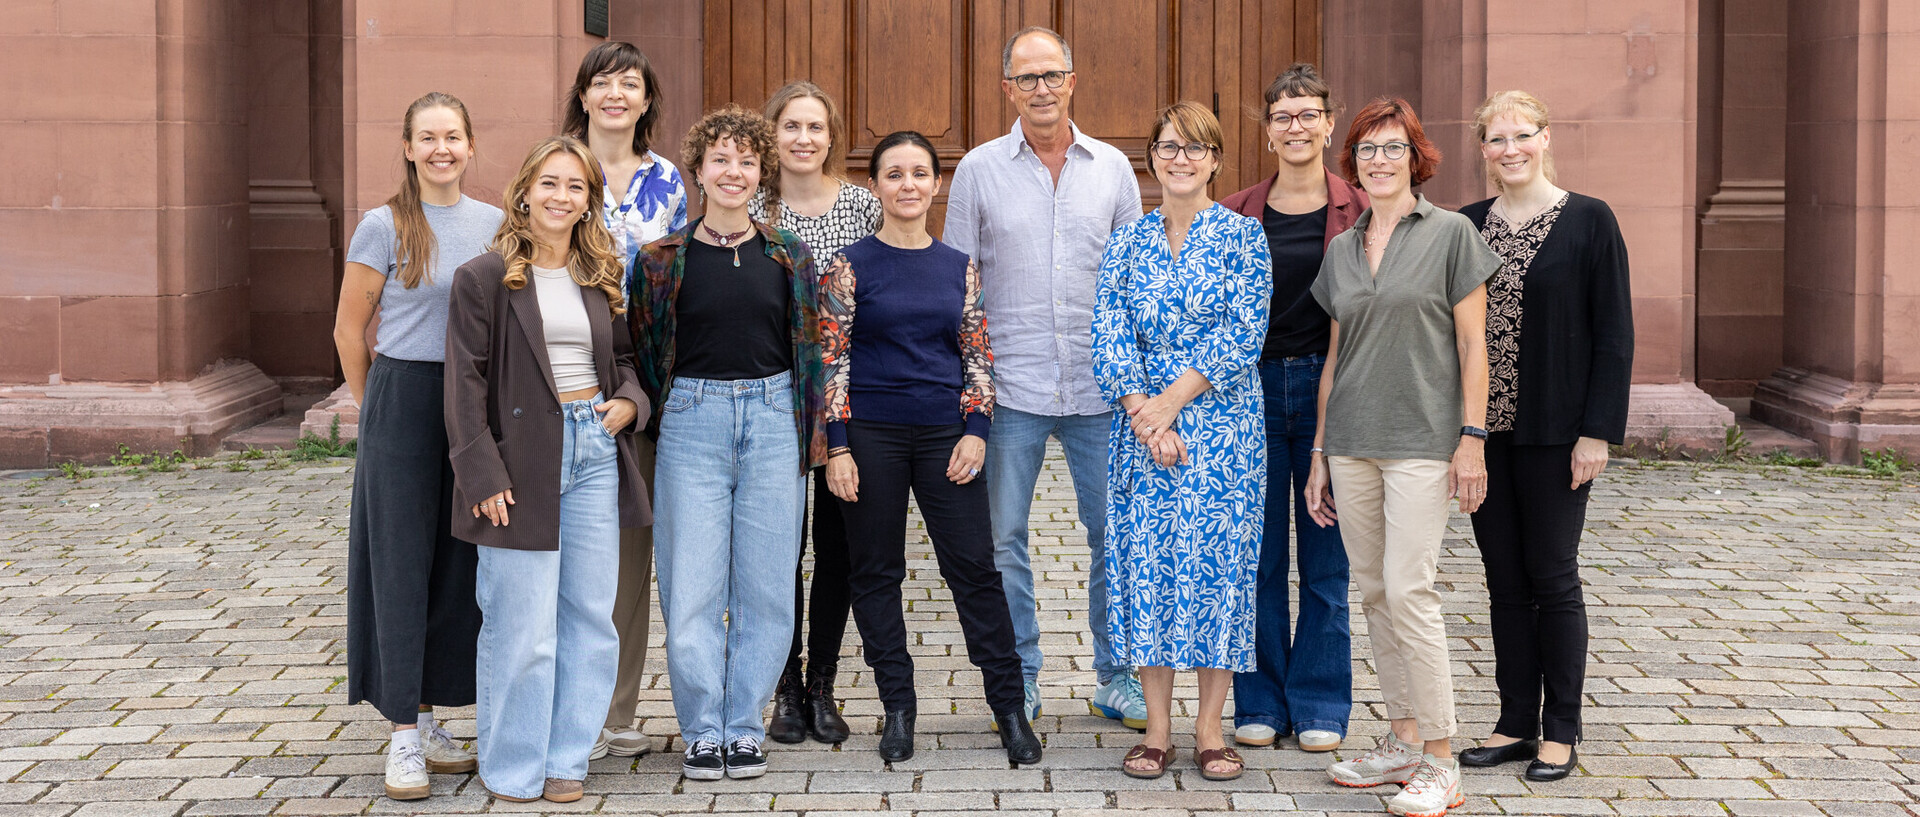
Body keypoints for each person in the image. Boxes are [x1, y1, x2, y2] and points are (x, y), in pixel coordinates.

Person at [944, 25, 1148, 730]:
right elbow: (959, 286)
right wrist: (968, 390)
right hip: (1012, 390)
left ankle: (1117, 675)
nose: (1039, 88)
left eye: (1050, 75)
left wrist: (1141, 385)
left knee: (1111, 533)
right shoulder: (976, 169)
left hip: (1102, 391)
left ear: (1072, 81)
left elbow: (1133, 283)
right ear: (1007, 88)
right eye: (1025, 78)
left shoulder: (1113, 168)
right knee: (1003, 541)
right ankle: (1020, 675)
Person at [819, 131, 1041, 766]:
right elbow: (831, 360)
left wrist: (977, 429)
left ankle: (1008, 707)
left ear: (937, 184)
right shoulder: (851, 266)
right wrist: (838, 447)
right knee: (876, 572)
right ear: (877, 186)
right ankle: (898, 705)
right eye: (894, 174)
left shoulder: (958, 267)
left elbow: (977, 355)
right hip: (870, 438)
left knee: (974, 570)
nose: (908, 184)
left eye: (920, 173)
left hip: (947, 438)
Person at [444, 135, 652, 805]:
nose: (562, 197)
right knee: (522, 624)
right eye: (551, 183)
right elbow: (464, 385)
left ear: (590, 201)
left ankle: (567, 756)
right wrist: (482, 473)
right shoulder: (485, 277)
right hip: (519, 460)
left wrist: (628, 400)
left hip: (594, 448)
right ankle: (511, 765)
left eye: (577, 187)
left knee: (591, 618)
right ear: (526, 189)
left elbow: (621, 359)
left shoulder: (599, 274)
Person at [1306, 97, 1499, 817]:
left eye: (1392, 149)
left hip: (1423, 442)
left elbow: (1475, 344)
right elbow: (1335, 358)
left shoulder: (1451, 235)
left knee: (1410, 589)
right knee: (1376, 592)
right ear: (1350, 164)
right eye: (1365, 152)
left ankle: (1443, 760)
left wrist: (1471, 438)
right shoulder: (1342, 248)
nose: (1377, 162)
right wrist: (1320, 451)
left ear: (1415, 157)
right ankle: (1402, 736)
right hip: (1352, 442)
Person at [631, 104, 826, 782]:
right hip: (692, 418)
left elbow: (813, 355)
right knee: (690, 584)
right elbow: (647, 350)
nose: (733, 171)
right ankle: (701, 728)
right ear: (699, 170)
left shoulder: (789, 256)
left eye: (747, 160)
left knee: (767, 585)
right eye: (721, 159)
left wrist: (817, 441)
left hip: (774, 419)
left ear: (761, 173)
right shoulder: (659, 261)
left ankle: (743, 725)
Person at [1456, 90, 1632, 783]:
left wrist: (1598, 432)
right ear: (1483, 150)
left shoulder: (1590, 221)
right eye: (1496, 140)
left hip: (1559, 434)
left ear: (1545, 137)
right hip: (1485, 433)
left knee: (1552, 577)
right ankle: (1512, 721)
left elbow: (1615, 335)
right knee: (1503, 582)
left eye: (1520, 136)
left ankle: (1561, 727)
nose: (1509, 150)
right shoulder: (1467, 225)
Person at [1093, 102, 1273, 781]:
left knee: (1217, 570)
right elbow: (1109, 330)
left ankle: (1209, 727)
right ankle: (1158, 727)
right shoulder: (1128, 240)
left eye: (1196, 148)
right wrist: (1145, 414)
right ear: (1153, 156)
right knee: (1147, 570)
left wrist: (1170, 406)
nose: (1181, 158)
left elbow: (1242, 331)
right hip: (1141, 431)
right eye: (1169, 146)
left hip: (1222, 429)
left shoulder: (1242, 238)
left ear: (1217, 160)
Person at [337, 91, 497, 803]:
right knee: (399, 562)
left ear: (470, 146)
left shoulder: (496, 224)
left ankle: (432, 714)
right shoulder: (384, 224)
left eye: (453, 136)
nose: (441, 148)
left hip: (470, 402)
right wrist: (376, 408)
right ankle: (402, 731)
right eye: (427, 137)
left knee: (455, 560)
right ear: (407, 148)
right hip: (402, 400)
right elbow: (350, 329)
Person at [1218, 63, 1367, 755]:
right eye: (1283, 116)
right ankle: (1260, 699)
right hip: (1249, 390)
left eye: (1309, 114)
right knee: (1257, 557)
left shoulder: (1362, 211)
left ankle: (1320, 702)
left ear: (1329, 123)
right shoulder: (1238, 210)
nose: (1296, 127)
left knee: (1327, 558)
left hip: (1330, 392)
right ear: (1268, 130)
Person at [561, 40, 690, 763]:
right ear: (582, 95)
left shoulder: (666, 177)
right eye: (602, 82)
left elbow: (670, 278)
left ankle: (616, 709)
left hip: (639, 376)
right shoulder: (557, 166)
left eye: (630, 84)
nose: (615, 94)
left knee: (629, 552)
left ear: (646, 101)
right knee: (567, 545)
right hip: (564, 376)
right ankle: (562, 700)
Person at [752, 80, 881, 746]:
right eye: (791, 126)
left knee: (839, 550)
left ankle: (824, 682)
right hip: (773, 398)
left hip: (851, 403)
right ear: (771, 135)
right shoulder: (750, 205)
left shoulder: (864, 206)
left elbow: (889, 288)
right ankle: (786, 688)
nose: (804, 138)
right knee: (776, 551)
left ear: (832, 137)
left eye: (816, 127)